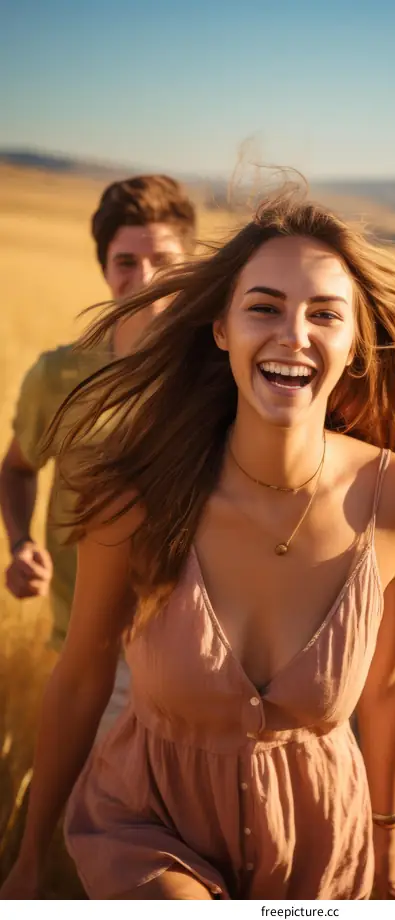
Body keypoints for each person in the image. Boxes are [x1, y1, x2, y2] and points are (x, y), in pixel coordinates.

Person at [0, 190, 395, 900]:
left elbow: (388, 687)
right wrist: (27, 859)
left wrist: (387, 845)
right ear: (220, 329)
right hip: (150, 828)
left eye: (324, 314)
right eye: (264, 307)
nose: (293, 334)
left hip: (323, 847)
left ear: (355, 341)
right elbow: (82, 676)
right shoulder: (135, 498)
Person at [0, 175, 197, 734]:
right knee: (90, 819)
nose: (145, 280)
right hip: (90, 651)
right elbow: (16, 468)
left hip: (195, 659)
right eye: (126, 261)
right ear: (105, 268)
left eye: (163, 259)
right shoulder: (58, 376)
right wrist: (19, 544)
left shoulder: (219, 379)